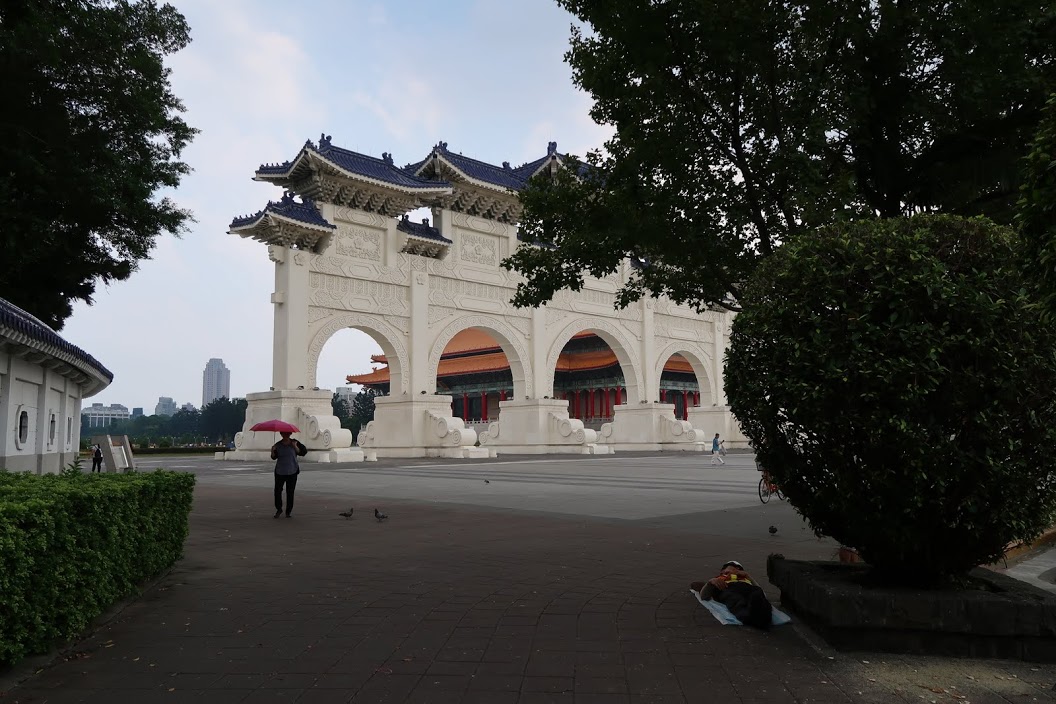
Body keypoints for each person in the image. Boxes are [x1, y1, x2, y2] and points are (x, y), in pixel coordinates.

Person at [691, 560, 773, 629]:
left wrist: (748, 576)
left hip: (748, 589)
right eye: (733, 567)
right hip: (729, 589)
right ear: (723, 571)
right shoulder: (719, 579)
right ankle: (752, 617)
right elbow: (704, 596)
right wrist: (710, 583)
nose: (737, 569)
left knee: (757, 594)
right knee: (736, 600)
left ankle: (762, 615)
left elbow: (762, 593)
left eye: (739, 569)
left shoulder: (745, 578)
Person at [271, 431, 307, 518]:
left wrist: (295, 446)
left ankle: (288, 511)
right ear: (281, 434)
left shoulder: (295, 442)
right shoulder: (278, 445)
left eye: (287, 434)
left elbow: (303, 452)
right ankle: (279, 509)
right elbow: (273, 457)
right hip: (280, 471)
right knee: (277, 491)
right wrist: (272, 451)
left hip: (292, 471)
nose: (286, 435)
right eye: (284, 434)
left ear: (290, 434)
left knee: (290, 492)